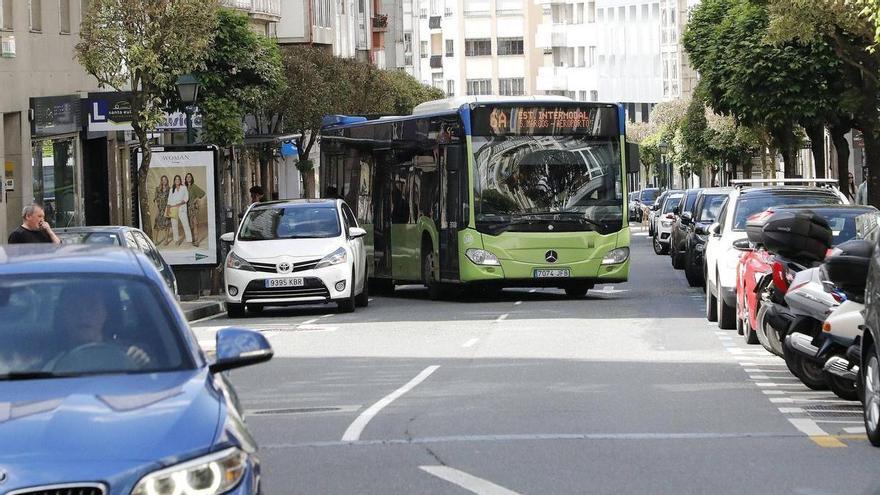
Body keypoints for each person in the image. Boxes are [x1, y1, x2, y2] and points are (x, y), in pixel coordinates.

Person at [55, 287, 151, 368]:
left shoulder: (129, 356)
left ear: (106, 313)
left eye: (91, 306)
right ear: (62, 315)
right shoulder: (45, 363)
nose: (83, 314)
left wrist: (143, 363)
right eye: (73, 306)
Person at [166, 175, 193, 246]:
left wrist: (179, 204)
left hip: (182, 208)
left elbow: (186, 198)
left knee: (186, 224)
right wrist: (168, 209)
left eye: (178, 179)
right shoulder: (171, 189)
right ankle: (176, 240)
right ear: (174, 181)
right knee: (174, 225)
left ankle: (189, 239)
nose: (177, 181)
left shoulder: (184, 188)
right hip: (173, 209)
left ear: (180, 181)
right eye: (176, 179)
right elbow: (169, 200)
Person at [184, 173, 206, 247]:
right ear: (186, 179)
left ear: (191, 178)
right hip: (186, 208)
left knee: (194, 224)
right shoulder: (185, 187)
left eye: (189, 177)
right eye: (187, 177)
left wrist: (195, 199)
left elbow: (203, 193)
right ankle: (193, 239)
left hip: (193, 208)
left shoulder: (194, 186)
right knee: (190, 225)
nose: (188, 178)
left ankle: (196, 241)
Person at [153, 175, 171, 245]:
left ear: (167, 181)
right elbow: (155, 199)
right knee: (157, 224)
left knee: (166, 224)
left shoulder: (169, 189)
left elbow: (171, 199)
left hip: (167, 208)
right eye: (162, 180)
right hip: (159, 208)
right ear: (161, 181)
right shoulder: (157, 189)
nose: (164, 181)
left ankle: (166, 240)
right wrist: (157, 209)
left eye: (165, 180)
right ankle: (155, 240)